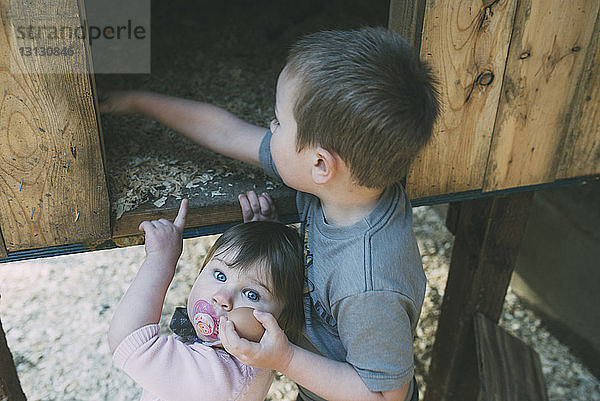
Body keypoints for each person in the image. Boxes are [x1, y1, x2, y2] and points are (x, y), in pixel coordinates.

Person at [102, 27, 439, 401]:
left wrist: (287, 359)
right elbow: (226, 132)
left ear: (320, 163)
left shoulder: (368, 283)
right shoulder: (345, 184)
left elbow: (386, 396)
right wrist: (137, 101)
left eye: (278, 123)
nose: (270, 128)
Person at [108, 199, 305, 401]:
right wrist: (263, 237)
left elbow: (127, 339)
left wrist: (161, 258)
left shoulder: (217, 381)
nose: (222, 298)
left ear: (282, 323)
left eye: (251, 294)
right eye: (220, 275)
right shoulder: (257, 357)